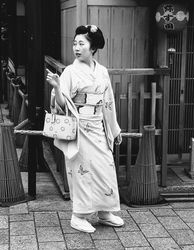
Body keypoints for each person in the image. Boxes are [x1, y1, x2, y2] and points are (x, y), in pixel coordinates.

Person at [46, 25, 124, 233]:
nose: (76, 48)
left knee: (105, 167)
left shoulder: (102, 72)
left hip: (98, 127)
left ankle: (105, 211)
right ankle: (78, 215)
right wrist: (56, 87)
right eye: (75, 43)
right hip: (78, 129)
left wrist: (114, 129)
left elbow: (108, 102)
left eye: (82, 43)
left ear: (93, 47)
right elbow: (61, 104)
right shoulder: (70, 71)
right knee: (81, 172)